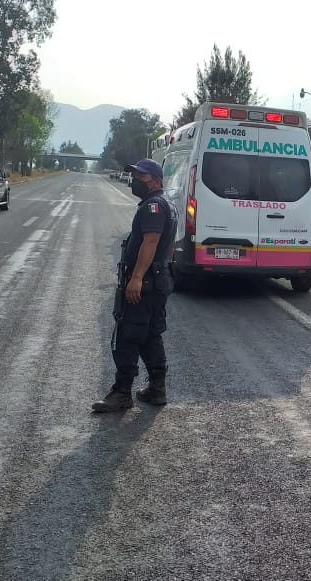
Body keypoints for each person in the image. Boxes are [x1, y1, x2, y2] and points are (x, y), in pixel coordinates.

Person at [93, 159, 177, 412]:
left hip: (146, 282)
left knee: (128, 335)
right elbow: (170, 247)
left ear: (157, 181)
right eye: (136, 176)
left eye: (142, 177)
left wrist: (137, 278)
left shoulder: (153, 207)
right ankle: (156, 389)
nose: (136, 181)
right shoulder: (167, 206)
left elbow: (151, 242)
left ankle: (122, 394)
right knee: (151, 335)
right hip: (158, 280)